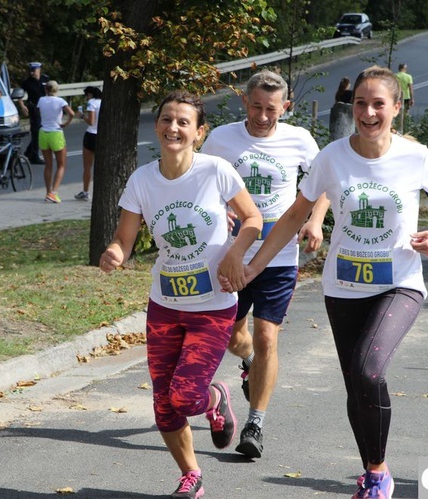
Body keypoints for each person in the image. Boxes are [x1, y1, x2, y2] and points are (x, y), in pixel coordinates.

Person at [221, 65, 428, 499]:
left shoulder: (415, 156)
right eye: (360, 103)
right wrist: (256, 266)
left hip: (399, 282)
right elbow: (296, 213)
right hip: (343, 286)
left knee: (369, 370)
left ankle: (380, 474)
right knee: (357, 383)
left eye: (378, 104)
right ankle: (372, 472)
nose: (368, 112)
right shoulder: (331, 156)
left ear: (396, 107)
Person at [101, 90, 262, 498]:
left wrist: (236, 253)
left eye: (183, 122)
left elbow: (252, 217)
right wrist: (115, 253)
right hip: (165, 305)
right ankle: (191, 475)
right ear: (157, 127)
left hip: (213, 305)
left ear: (198, 133)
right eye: (167, 120)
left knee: (186, 395)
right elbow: (125, 239)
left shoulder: (215, 171)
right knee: (163, 403)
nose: (173, 127)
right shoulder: (142, 180)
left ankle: (214, 396)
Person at [200, 70, 330, 459]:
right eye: (255, 106)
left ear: (285, 107)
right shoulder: (222, 138)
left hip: (279, 254)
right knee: (231, 337)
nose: (261, 116)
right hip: (233, 251)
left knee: (267, 335)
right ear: (245, 102)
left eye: (271, 109)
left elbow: (324, 182)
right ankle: (252, 366)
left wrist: (316, 219)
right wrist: (216, 212)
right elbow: (200, 180)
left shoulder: (299, 140)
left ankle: (255, 423)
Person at [37, 80, 74, 203]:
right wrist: (66, 123)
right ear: (56, 90)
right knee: (61, 165)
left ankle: (48, 192)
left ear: (46, 89)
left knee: (48, 165)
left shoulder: (41, 100)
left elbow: (38, 112)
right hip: (56, 132)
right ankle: (54, 192)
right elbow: (71, 113)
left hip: (43, 132)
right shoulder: (60, 101)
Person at [75, 86, 102, 201]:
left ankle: (86, 191)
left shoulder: (91, 103)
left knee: (87, 167)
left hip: (91, 135)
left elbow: (91, 121)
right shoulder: (104, 101)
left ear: (90, 94)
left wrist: (81, 116)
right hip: (102, 134)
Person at [20, 62, 50, 164]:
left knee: (40, 131)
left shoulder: (45, 79)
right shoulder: (27, 82)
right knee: (36, 131)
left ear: (39, 69)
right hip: (34, 109)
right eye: (30, 70)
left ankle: (29, 152)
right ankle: (34, 156)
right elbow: (19, 95)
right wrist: (22, 106)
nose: (32, 73)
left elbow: (51, 91)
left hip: (45, 108)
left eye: (34, 70)